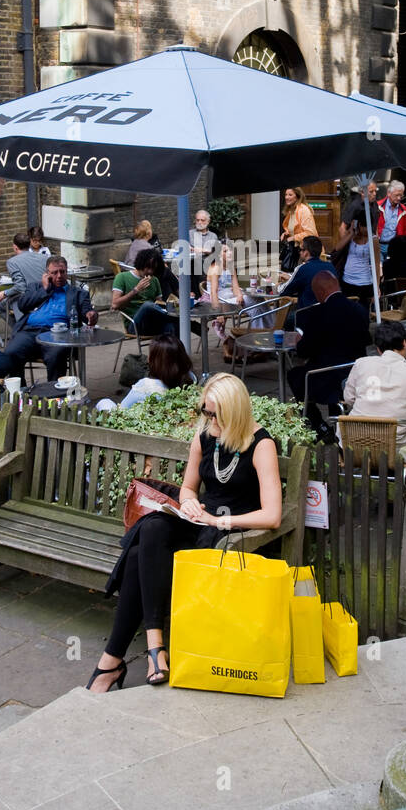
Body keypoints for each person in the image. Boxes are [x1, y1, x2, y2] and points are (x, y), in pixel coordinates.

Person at [89, 373, 282, 691]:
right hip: (199, 521)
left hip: (230, 535)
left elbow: (272, 515)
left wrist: (221, 522)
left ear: (233, 412)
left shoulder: (261, 445)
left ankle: (111, 663)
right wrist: (191, 505)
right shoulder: (207, 436)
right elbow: (189, 489)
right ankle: (155, 646)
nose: (208, 418)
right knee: (151, 528)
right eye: (206, 411)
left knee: (138, 554)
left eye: (213, 413)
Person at [288, 272, 369, 434]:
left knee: (294, 375)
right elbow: (366, 340)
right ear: (337, 286)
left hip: (326, 377)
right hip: (355, 373)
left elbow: (304, 351)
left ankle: (319, 425)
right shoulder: (360, 310)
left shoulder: (317, 314)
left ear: (319, 292)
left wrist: (298, 342)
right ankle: (337, 423)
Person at [0, 256, 98, 381]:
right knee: (11, 352)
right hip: (30, 331)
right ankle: (19, 392)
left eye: (62, 271)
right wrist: (45, 290)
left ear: (67, 272)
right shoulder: (35, 287)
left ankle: (54, 395)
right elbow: (23, 306)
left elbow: (87, 313)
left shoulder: (78, 293)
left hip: (58, 335)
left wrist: (92, 315)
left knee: (55, 356)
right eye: (54, 273)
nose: (59, 276)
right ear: (47, 274)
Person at [342, 321, 406, 447]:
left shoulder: (361, 363)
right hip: (393, 449)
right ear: (404, 343)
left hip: (351, 444)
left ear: (378, 348)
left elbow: (349, 399)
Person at [118, 335, 195, 410]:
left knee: (106, 402)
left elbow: (122, 408)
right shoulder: (190, 378)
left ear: (155, 361)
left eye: (150, 355)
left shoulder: (146, 385)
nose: (147, 359)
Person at [112, 248, 174, 338]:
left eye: (154, 269)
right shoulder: (122, 277)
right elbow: (114, 305)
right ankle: (177, 317)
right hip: (135, 325)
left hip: (153, 324)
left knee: (173, 326)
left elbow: (159, 305)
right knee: (148, 305)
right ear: (141, 263)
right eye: (148, 267)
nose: (150, 272)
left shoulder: (154, 280)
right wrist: (136, 290)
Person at [332, 207, 377, 308]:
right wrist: (351, 233)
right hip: (347, 279)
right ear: (358, 225)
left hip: (365, 281)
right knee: (347, 310)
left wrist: (376, 287)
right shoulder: (351, 236)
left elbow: (376, 265)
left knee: (363, 311)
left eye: (368, 226)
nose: (365, 230)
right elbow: (337, 248)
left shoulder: (373, 239)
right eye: (363, 226)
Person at [0, 233, 47, 317]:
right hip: (45, 296)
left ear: (15, 247)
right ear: (29, 245)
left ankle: (18, 327)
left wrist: (4, 293)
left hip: (27, 299)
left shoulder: (12, 262)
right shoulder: (44, 257)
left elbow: (20, 287)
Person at [278, 234, 328, 311]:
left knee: (279, 315)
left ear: (306, 252)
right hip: (328, 315)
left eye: (300, 249)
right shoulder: (330, 267)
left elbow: (282, 291)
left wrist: (278, 285)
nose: (299, 252)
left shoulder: (302, 268)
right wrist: (292, 278)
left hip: (306, 316)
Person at [280, 187, 317, 271]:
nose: (286, 197)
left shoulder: (304, 210)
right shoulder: (292, 210)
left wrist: (293, 238)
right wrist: (287, 233)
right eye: (286, 194)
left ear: (297, 196)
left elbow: (310, 233)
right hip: (296, 250)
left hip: (306, 252)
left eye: (290, 195)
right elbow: (295, 228)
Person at [184, 208, 219, 294]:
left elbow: (210, 250)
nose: (199, 222)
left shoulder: (212, 236)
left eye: (202, 220)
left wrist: (198, 249)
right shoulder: (190, 233)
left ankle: (201, 295)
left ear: (208, 221)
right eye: (197, 220)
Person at [376, 180, 406, 259]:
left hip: (394, 247)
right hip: (378, 245)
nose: (399, 198)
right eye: (396, 195)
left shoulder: (404, 210)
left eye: (401, 196)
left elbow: (405, 231)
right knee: (379, 269)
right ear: (389, 193)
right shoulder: (378, 206)